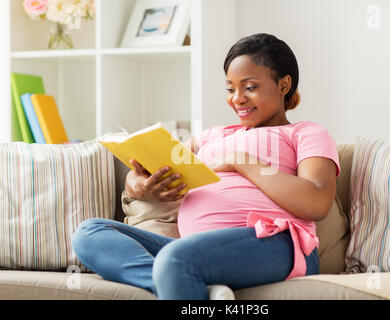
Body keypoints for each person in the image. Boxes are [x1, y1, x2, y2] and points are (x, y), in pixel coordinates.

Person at [72, 33, 341, 300]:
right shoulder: (212, 136)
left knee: (175, 258)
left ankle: (179, 274)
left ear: (284, 85)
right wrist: (142, 187)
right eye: (230, 88)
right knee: (90, 233)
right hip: (193, 250)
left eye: (250, 87)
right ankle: (189, 284)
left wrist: (241, 161)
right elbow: (143, 171)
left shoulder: (306, 133)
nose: (237, 99)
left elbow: (316, 201)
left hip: (276, 242)